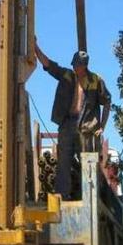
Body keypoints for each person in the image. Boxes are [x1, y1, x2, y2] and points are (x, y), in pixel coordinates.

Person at [34, 40, 111, 200]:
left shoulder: (96, 80)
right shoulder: (67, 76)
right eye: (74, 65)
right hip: (67, 124)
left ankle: (89, 197)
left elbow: (107, 101)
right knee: (63, 162)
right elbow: (49, 65)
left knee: (87, 163)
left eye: (78, 65)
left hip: (87, 128)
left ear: (85, 65)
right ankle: (62, 196)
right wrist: (35, 47)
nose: (76, 68)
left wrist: (102, 126)